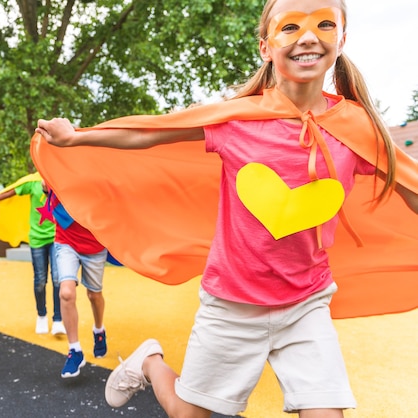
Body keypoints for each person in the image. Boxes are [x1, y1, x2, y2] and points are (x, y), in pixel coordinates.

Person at [33, 0, 418, 416]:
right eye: (290, 27)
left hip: (306, 302)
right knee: (187, 413)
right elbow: (152, 133)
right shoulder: (238, 119)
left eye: (325, 24)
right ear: (265, 47)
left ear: (341, 40)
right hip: (232, 302)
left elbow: (410, 185)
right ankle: (149, 361)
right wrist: (77, 138)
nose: (308, 36)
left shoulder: (357, 126)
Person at [43, 190, 108, 378]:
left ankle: (99, 329)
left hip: (95, 243)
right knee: (66, 293)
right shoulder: (57, 164)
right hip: (66, 241)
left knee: (94, 295)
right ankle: (75, 350)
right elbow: (45, 184)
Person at [0, 177, 65, 335]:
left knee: (57, 278)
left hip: (56, 237)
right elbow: (10, 193)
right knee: (40, 280)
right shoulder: (32, 182)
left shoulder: (58, 181)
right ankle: (41, 315)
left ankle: (58, 320)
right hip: (37, 240)